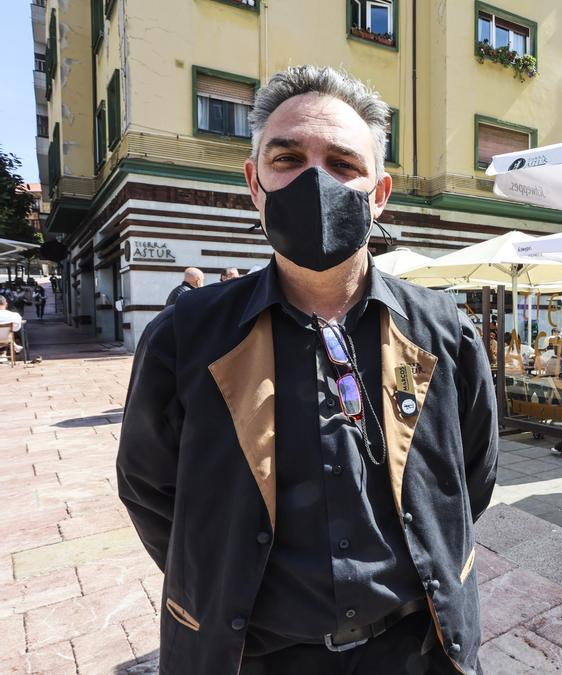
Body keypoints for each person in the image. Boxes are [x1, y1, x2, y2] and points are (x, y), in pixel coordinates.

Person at [117, 65, 498, 674]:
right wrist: (220, 577)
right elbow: (148, 487)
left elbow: (470, 476)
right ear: (254, 181)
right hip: (251, 657)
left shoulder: (445, 330)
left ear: (379, 193)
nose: (315, 181)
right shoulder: (185, 336)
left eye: (343, 164)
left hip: (416, 653)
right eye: (288, 158)